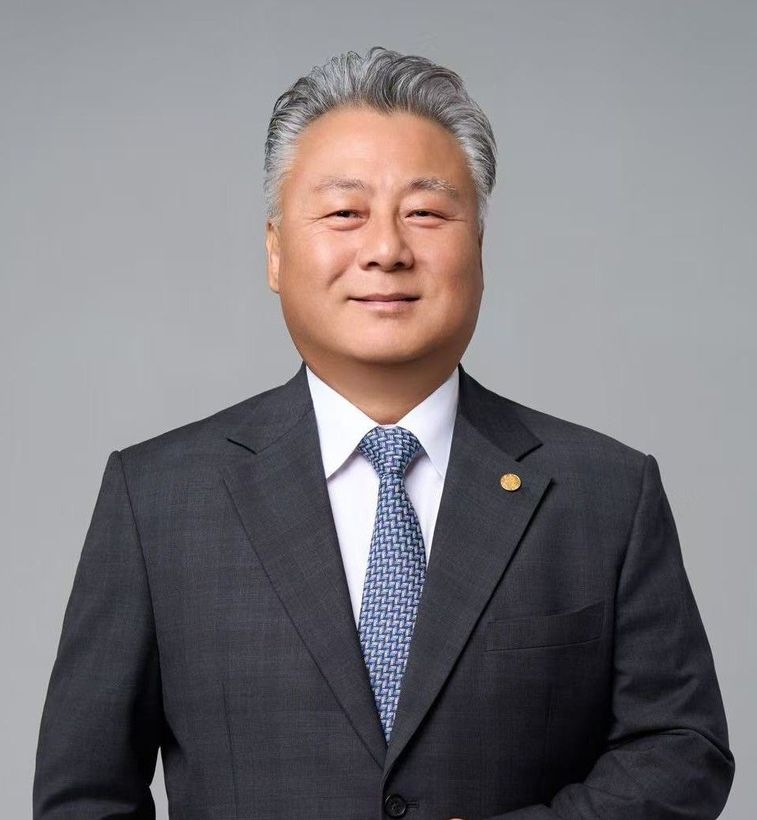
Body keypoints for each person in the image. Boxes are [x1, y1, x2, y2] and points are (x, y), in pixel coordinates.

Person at [33, 46, 734, 819]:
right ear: (275, 251)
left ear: (478, 245)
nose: (386, 250)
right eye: (344, 213)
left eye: (425, 213)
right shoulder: (159, 497)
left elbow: (680, 750)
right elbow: (84, 794)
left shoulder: (603, 493)